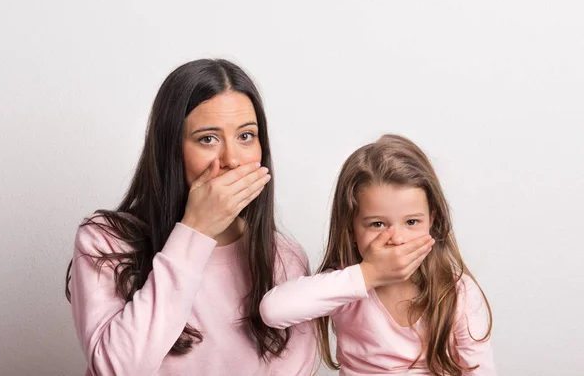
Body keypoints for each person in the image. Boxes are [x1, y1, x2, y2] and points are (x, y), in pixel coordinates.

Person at [65, 59, 316, 375]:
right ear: (171, 149)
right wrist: (196, 229)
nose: (232, 160)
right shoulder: (106, 240)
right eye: (208, 138)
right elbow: (115, 369)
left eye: (246, 136)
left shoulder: (285, 259)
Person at [260, 134, 495, 375]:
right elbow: (273, 311)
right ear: (351, 228)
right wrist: (368, 274)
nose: (397, 238)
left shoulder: (457, 291)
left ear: (432, 219)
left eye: (412, 221)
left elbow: (479, 370)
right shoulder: (346, 286)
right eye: (377, 225)